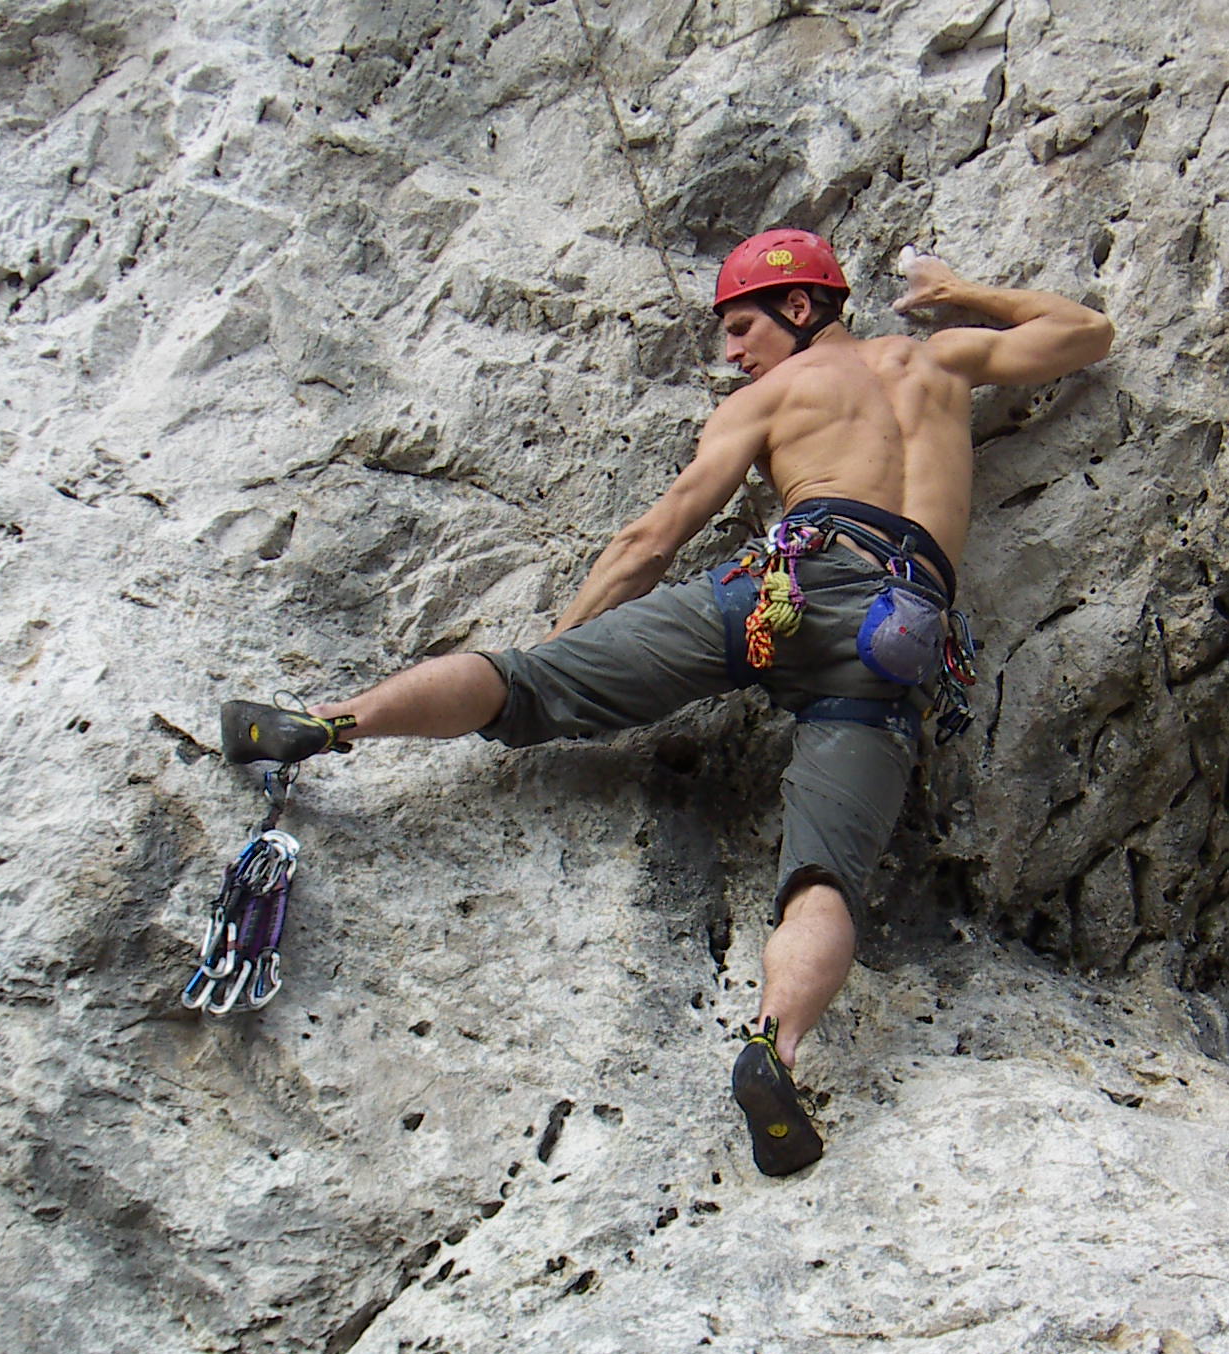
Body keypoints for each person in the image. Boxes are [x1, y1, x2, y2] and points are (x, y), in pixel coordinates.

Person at [219, 228, 1113, 1175]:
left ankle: (327, 724)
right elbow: (1088, 331)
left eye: (741, 327)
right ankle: (773, 1050)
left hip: (786, 588)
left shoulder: (774, 396)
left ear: (799, 307)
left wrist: (560, 649)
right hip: (900, 637)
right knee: (822, 877)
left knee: (522, 680)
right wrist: (959, 290)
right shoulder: (941, 360)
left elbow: (653, 539)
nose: (731, 352)